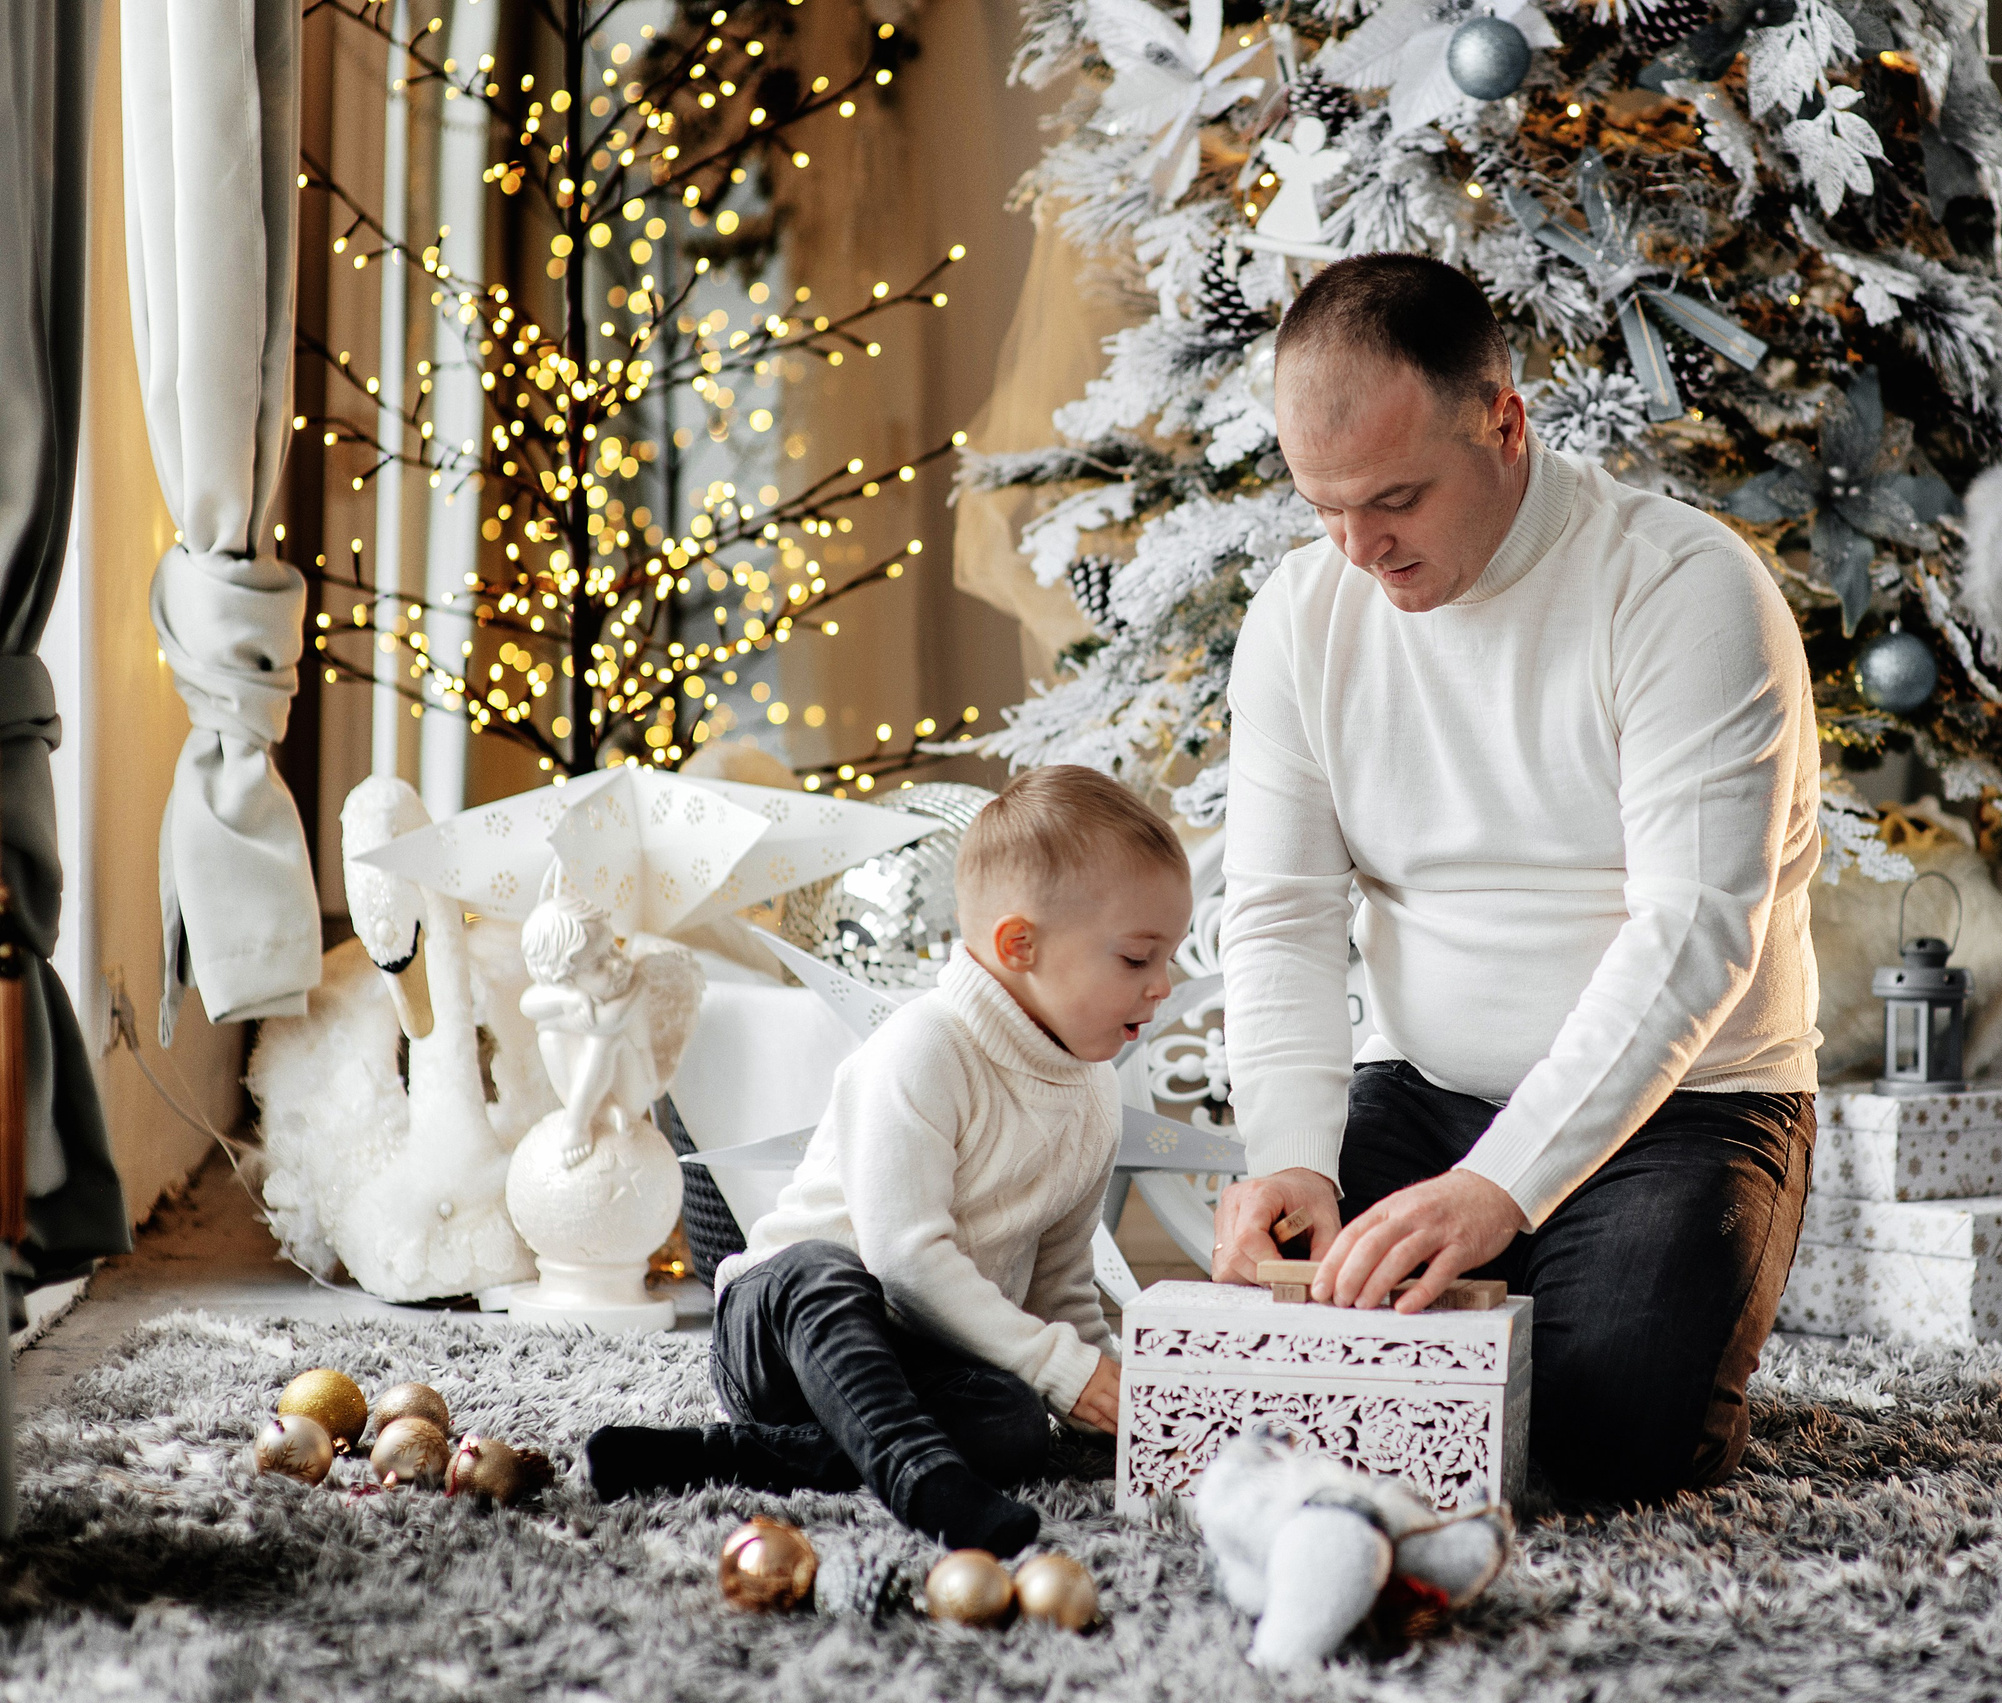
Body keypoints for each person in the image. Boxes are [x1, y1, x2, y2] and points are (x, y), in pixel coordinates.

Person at [1209, 252, 1823, 1504]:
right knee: (1271, 1378)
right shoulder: (1300, 614)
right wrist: (1293, 1156)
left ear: (1503, 422)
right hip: (1423, 1089)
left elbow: (1692, 932)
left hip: (1688, 1106)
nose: (1358, 547)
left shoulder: (1683, 590)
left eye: (1395, 497)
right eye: (1322, 505)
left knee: (1603, 1430)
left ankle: (1572, 1308)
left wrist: (1501, 1187)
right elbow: (1278, 915)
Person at [586, 765, 1195, 1553]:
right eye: (1138, 959)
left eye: (1170, 957)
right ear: (1020, 945)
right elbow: (905, 1259)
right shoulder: (924, 1048)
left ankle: (723, 1456)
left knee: (1015, 1421)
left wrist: (1110, 1398)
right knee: (825, 1271)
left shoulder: (1094, 1095)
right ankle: (922, 1480)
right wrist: (1062, 1367)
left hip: (918, 1359)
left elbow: (1059, 1288)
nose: (1163, 985)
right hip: (783, 1329)